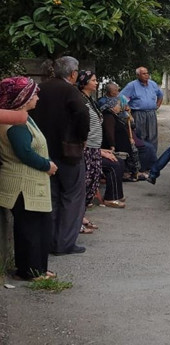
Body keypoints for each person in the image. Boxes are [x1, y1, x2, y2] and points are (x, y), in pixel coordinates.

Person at [30, 56, 90, 256]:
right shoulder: (70, 91)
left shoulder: (41, 88)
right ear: (73, 74)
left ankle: (50, 241)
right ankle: (64, 243)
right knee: (72, 197)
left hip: (44, 150)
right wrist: (82, 137)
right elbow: (82, 114)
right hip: (68, 152)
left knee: (52, 197)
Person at [0, 77, 59, 280]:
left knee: (40, 227)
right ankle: (30, 272)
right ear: (22, 98)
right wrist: (47, 165)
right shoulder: (15, 124)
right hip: (23, 185)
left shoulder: (22, 118)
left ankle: (38, 269)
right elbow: (24, 152)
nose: (37, 97)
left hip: (31, 183)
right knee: (30, 230)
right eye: (34, 94)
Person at [77, 70, 104, 229]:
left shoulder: (90, 99)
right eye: (93, 80)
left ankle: (82, 215)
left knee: (93, 182)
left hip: (95, 146)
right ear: (84, 82)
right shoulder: (79, 99)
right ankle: (77, 219)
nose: (96, 82)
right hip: (87, 147)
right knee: (85, 182)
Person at [100, 98, 143, 185]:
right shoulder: (108, 116)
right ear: (113, 106)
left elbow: (131, 124)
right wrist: (112, 145)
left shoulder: (114, 114)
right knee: (132, 151)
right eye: (118, 105)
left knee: (134, 150)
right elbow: (109, 132)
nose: (120, 107)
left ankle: (134, 172)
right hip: (116, 144)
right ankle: (130, 173)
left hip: (123, 142)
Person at [121, 66, 163, 150]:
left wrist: (157, 105)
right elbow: (122, 98)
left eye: (147, 73)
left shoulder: (153, 84)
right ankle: (141, 156)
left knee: (152, 135)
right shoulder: (132, 85)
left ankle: (152, 156)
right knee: (140, 135)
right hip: (138, 114)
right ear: (138, 75)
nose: (146, 75)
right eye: (144, 74)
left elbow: (160, 95)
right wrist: (126, 107)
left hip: (151, 113)